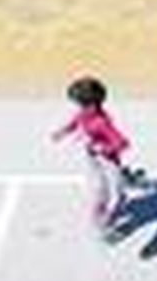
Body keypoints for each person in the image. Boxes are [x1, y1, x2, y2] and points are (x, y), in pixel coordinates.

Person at [50, 76, 147, 240]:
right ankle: (121, 183)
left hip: (107, 160)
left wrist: (102, 148)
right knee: (101, 188)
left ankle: (104, 223)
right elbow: (76, 121)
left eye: (80, 103)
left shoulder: (102, 123)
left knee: (117, 196)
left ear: (92, 105)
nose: (77, 107)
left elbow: (123, 143)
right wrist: (63, 131)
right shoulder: (84, 113)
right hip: (92, 157)